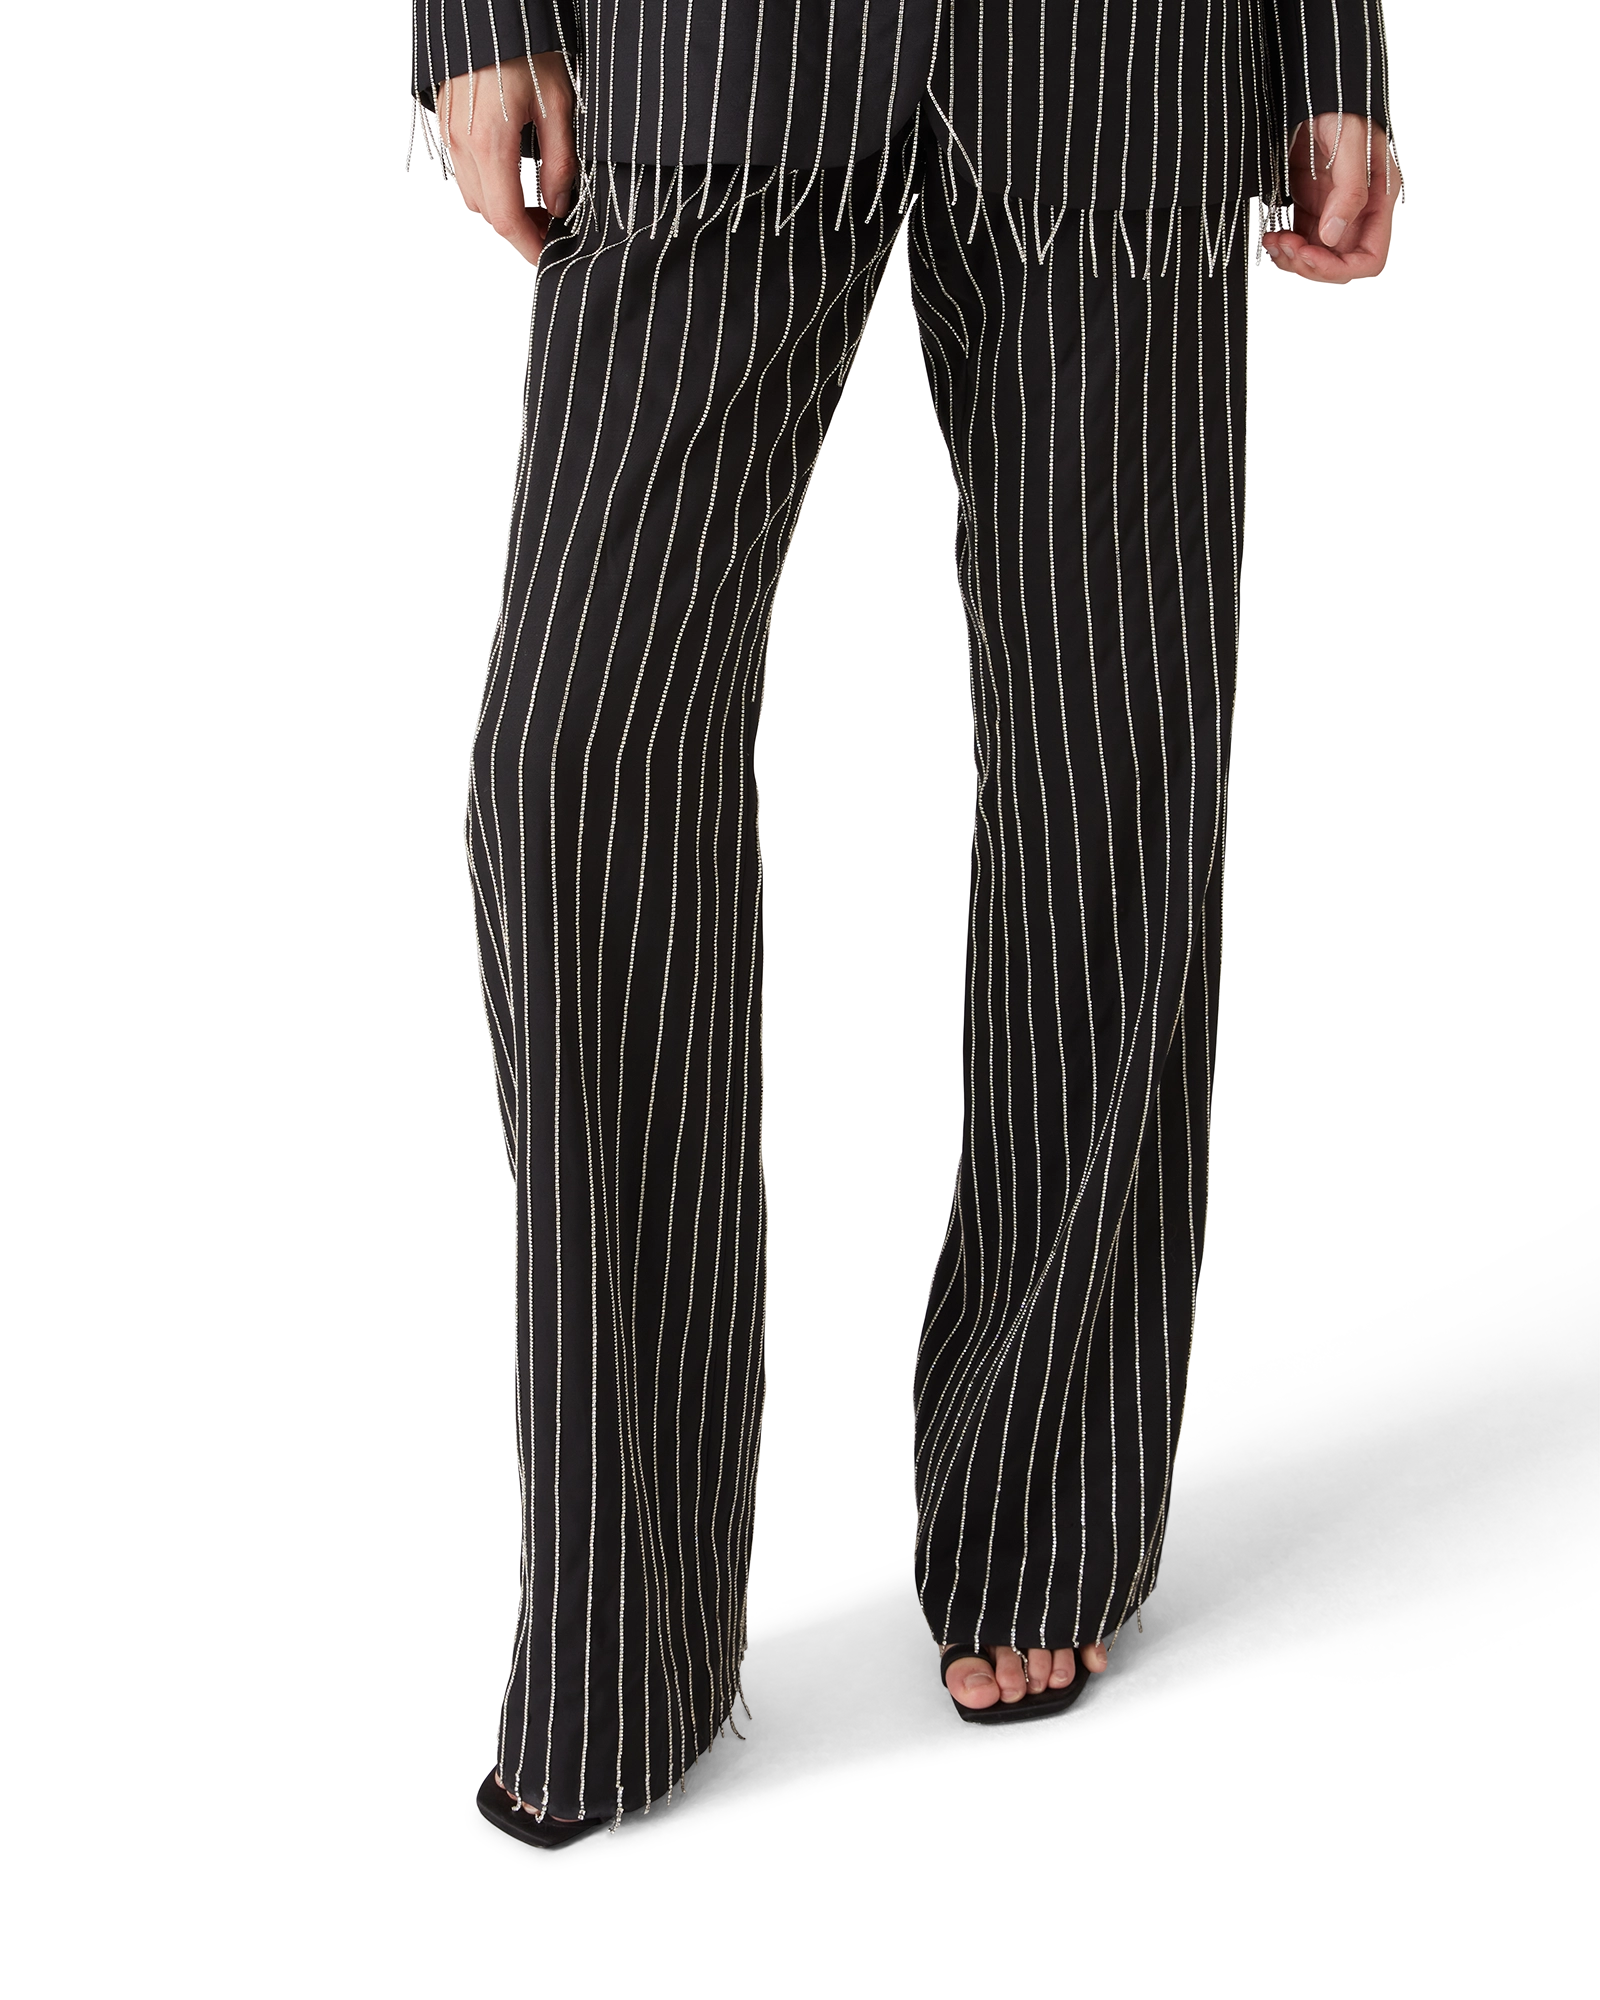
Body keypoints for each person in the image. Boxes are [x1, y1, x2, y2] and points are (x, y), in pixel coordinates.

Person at [410, 0, 1400, 1846]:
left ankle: (1044, 1485)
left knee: (1115, 759)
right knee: (571, 762)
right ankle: (622, 1632)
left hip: (1125, 70)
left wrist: (1332, 42)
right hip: (711, 56)